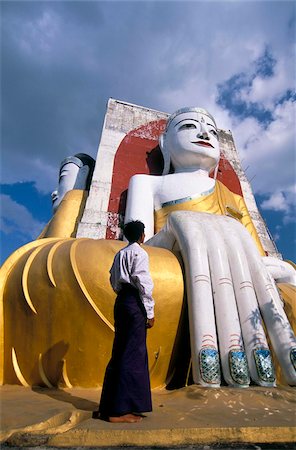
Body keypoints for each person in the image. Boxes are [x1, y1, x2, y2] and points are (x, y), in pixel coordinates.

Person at [125, 107, 296, 388]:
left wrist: (282, 269)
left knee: (289, 282)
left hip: (239, 274)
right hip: (175, 267)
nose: (204, 133)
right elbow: (133, 251)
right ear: (165, 143)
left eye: (212, 131)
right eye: (189, 126)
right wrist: (176, 227)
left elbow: (252, 257)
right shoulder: (148, 184)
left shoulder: (232, 197)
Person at [96, 220, 155, 423]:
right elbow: (143, 282)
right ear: (141, 236)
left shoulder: (119, 254)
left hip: (121, 301)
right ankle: (119, 410)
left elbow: (113, 280)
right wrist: (149, 312)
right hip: (134, 302)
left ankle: (111, 406)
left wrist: (124, 295)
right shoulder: (140, 253)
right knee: (133, 353)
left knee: (120, 350)